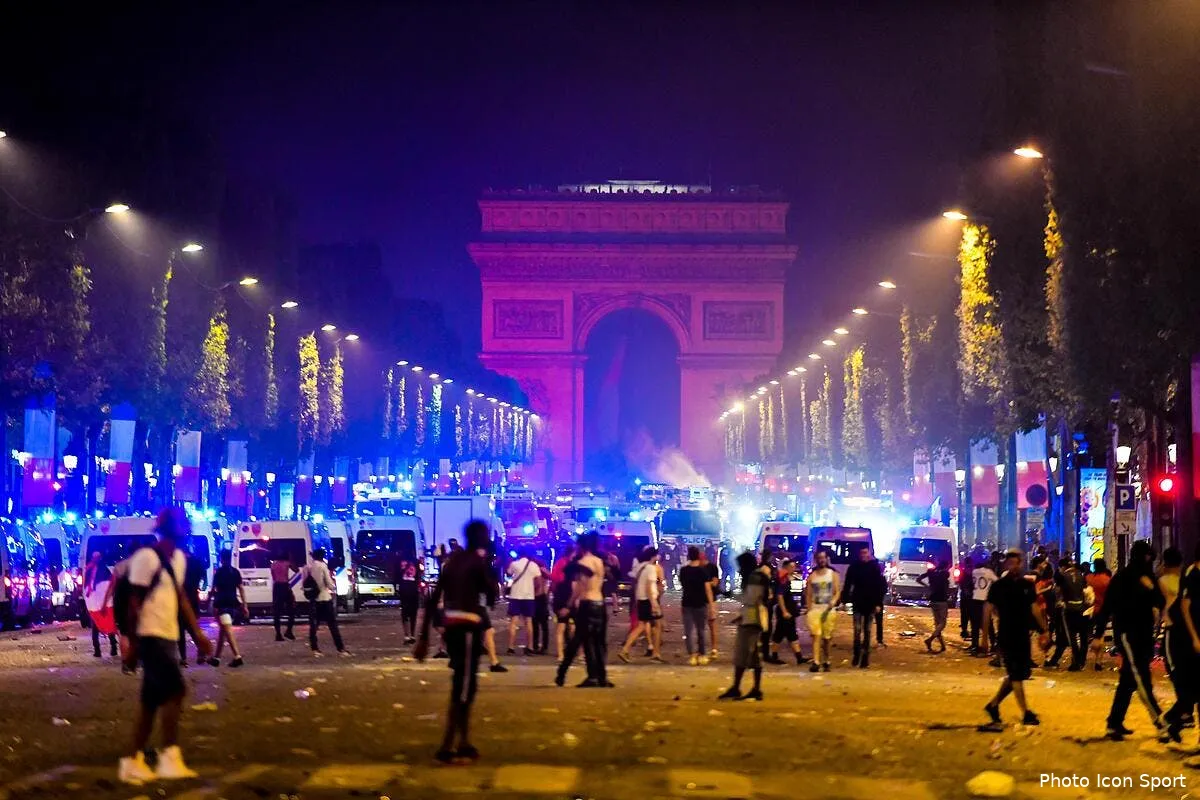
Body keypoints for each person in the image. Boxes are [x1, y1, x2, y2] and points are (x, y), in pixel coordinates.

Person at [117, 509, 213, 785]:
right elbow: (133, 605)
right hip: (150, 636)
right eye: (182, 523)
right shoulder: (146, 558)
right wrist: (132, 645)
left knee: (149, 704)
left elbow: (181, 598)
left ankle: (132, 762)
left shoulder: (180, 559)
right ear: (169, 528)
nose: (187, 526)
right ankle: (169, 757)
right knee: (176, 691)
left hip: (168, 636)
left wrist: (197, 635)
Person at [414, 520, 494, 763]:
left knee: (460, 683)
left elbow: (432, 599)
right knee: (465, 688)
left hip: (451, 627)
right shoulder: (476, 562)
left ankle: (460, 741)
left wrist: (424, 638)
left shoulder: (452, 563)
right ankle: (452, 743)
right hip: (468, 626)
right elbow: (492, 593)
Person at [1095, 540, 1165, 740]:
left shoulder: (1148, 576)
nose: (1148, 561)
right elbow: (1107, 607)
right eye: (1147, 557)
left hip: (1144, 634)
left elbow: (1159, 602)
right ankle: (1160, 721)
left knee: (1128, 680)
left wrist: (1151, 587)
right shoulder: (1123, 577)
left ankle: (1114, 723)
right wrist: (1099, 635)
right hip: (1127, 633)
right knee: (1141, 677)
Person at [981, 549, 1048, 729]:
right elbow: (987, 610)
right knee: (1016, 675)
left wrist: (1045, 630)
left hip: (1022, 634)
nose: (1013, 566)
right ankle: (1026, 713)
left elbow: (1034, 608)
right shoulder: (998, 586)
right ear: (1005, 565)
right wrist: (984, 638)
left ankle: (993, 705)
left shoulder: (1026, 586)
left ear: (1021, 564)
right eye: (1010, 563)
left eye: (1016, 563)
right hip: (1006, 635)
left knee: (1019, 674)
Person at [555, 532, 611, 688]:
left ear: (581, 546)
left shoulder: (582, 562)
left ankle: (562, 673)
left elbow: (578, 588)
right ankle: (600, 677)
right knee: (598, 642)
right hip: (600, 603)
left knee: (578, 640)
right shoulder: (599, 561)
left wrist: (568, 605)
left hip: (587, 604)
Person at [1160, 543, 1200, 744]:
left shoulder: (1175, 579)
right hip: (1180, 637)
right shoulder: (1190, 578)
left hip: (1179, 635)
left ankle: (1175, 720)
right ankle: (1173, 719)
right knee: (1187, 687)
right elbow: (1184, 608)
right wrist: (1194, 637)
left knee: (1189, 688)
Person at [718, 552, 769, 701]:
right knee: (749, 657)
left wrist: (727, 593)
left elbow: (750, 599)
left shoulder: (754, 577)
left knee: (746, 656)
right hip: (752, 620)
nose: (739, 570)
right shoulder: (758, 576)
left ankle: (744, 688)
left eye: (740, 566)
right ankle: (749, 689)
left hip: (753, 622)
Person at [841, 546, 887, 669]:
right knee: (857, 631)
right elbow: (847, 583)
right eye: (861, 552)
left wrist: (878, 603)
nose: (863, 555)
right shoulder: (854, 567)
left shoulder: (874, 567)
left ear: (869, 553)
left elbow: (879, 586)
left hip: (870, 603)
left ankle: (865, 658)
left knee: (867, 631)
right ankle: (857, 655)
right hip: (858, 602)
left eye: (865, 552)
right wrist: (844, 600)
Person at [618, 547, 663, 663]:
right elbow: (649, 586)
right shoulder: (651, 569)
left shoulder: (640, 566)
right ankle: (656, 653)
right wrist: (654, 604)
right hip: (649, 600)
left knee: (642, 626)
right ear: (654, 556)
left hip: (641, 599)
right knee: (657, 626)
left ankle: (625, 649)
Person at [1046, 556, 1088, 670]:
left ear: (1063, 567)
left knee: (1071, 637)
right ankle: (1079, 660)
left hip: (1068, 609)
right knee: (1081, 637)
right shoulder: (1080, 574)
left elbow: (1058, 592)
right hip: (1081, 609)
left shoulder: (1062, 576)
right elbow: (1085, 591)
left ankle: (1077, 661)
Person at [304, 548, 348, 657]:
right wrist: (334, 586)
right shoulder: (322, 566)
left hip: (313, 599)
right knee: (332, 625)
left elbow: (303, 584)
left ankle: (315, 649)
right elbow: (329, 584)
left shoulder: (307, 567)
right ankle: (340, 649)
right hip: (324, 598)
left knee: (314, 626)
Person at [767, 559, 809, 666]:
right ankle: (775, 656)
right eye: (792, 567)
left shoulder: (786, 578)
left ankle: (799, 657)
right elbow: (780, 596)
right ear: (786, 567)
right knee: (779, 634)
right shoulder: (783, 578)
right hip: (784, 612)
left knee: (791, 635)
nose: (794, 569)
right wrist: (784, 611)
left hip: (789, 611)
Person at [209, 550, 246, 668]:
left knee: (227, 630)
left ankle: (237, 656)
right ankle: (216, 658)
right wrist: (244, 605)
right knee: (223, 631)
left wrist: (208, 602)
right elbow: (241, 589)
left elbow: (214, 589)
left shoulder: (219, 572)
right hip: (233, 604)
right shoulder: (235, 572)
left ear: (221, 559)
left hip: (222, 604)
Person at [804, 548, 839, 672]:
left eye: (823, 558)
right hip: (815, 610)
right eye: (819, 558)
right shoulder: (812, 576)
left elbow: (837, 592)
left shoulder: (833, 574)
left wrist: (833, 602)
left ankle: (827, 660)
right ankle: (816, 662)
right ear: (816, 560)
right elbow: (808, 594)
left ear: (826, 559)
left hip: (828, 611)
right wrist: (809, 609)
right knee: (816, 635)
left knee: (827, 638)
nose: (821, 560)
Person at [678, 546, 713, 665]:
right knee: (701, 630)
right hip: (700, 603)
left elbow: (683, 585)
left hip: (687, 603)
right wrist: (712, 606)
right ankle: (702, 654)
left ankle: (692, 655)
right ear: (698, 555)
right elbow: (708, 589)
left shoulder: (683, 570)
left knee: (688, 631)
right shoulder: (703, 571)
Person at [504, 549, 540, 655]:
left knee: (513, 621)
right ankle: (530, 647)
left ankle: (511, 647)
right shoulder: (534, 565)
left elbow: (508, 573)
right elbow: (538, 582)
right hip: (529, 596)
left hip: (515, 595)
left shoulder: (515, 564)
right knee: (528, 622)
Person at [84, 551, 118, 659]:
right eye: (94, 557)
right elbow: (86, 585)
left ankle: (113, 647)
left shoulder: (104, 570)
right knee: (96, 626)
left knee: (109, 624)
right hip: (94, 603)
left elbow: (108, 586)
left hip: (104, 602)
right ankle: (97, 650)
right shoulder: (89, 569)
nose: (96, 559)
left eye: (97, 557)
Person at [916, 559, 952, 653]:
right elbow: (946, 585)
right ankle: (930, 639)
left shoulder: (931, 572)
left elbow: (918, 579)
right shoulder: (945, 574)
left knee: (937, 624)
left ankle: (942, 645)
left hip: (933, 599)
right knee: (942, 623)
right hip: (942, 600)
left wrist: (927, 586)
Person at [177, 550, 204, 667]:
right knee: (193, 627)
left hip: (181, 599)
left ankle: (183, 658)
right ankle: (201, 651)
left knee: (181, 631)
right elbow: (201, 577)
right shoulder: (196, 562)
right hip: (193, 598)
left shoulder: (179, 564)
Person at [969, 555, 998, 656]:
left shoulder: (974, 571)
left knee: (975, 624)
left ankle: (975, 645)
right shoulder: (988, 572)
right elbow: (997, 581)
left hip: (975, 598)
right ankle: (993, 644)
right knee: (988, 624)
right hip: (985, 599)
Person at [1087, 558, 1112, 670]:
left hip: (1089, 610)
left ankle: (1091, 657)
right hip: (1103, 610)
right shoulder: (1107, 580)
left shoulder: (1088, 578)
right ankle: (1098, 660)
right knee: (1100, 634)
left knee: (1090, 634)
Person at [270, 553, 297, 642]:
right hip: (285, 585)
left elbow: (273, 576)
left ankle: (278, 634)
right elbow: (296, 570)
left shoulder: (273, 564)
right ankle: (289, 631)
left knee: (276, 612)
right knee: (292, 609)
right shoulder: (287, 563)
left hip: (277, 586)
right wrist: (291, 560)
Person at [701, 548, 721, 658]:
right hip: (699, 600)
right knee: (700, 626)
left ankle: (714, 648)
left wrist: (705, 583)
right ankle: (702, 649)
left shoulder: (713, 568)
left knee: (712, 624)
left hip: (710, 600)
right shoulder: (697, 568)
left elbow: (715, 583)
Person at [397, 560, 421, 645]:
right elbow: (398, 583)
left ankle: (412, 635)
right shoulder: (401, 575)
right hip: (405, 598)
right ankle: (407, 635)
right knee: (405, 616)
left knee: (413, 616)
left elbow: (418, 583)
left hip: (413, 598)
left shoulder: (415, 575)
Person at [531, 556, 551, 655]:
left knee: (539, 624)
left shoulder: (540, 571)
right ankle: (541, 646)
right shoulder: (540, 571)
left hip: (538, 597)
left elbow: (549, 577)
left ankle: (539, 646)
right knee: (541, 624)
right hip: (540, 598)